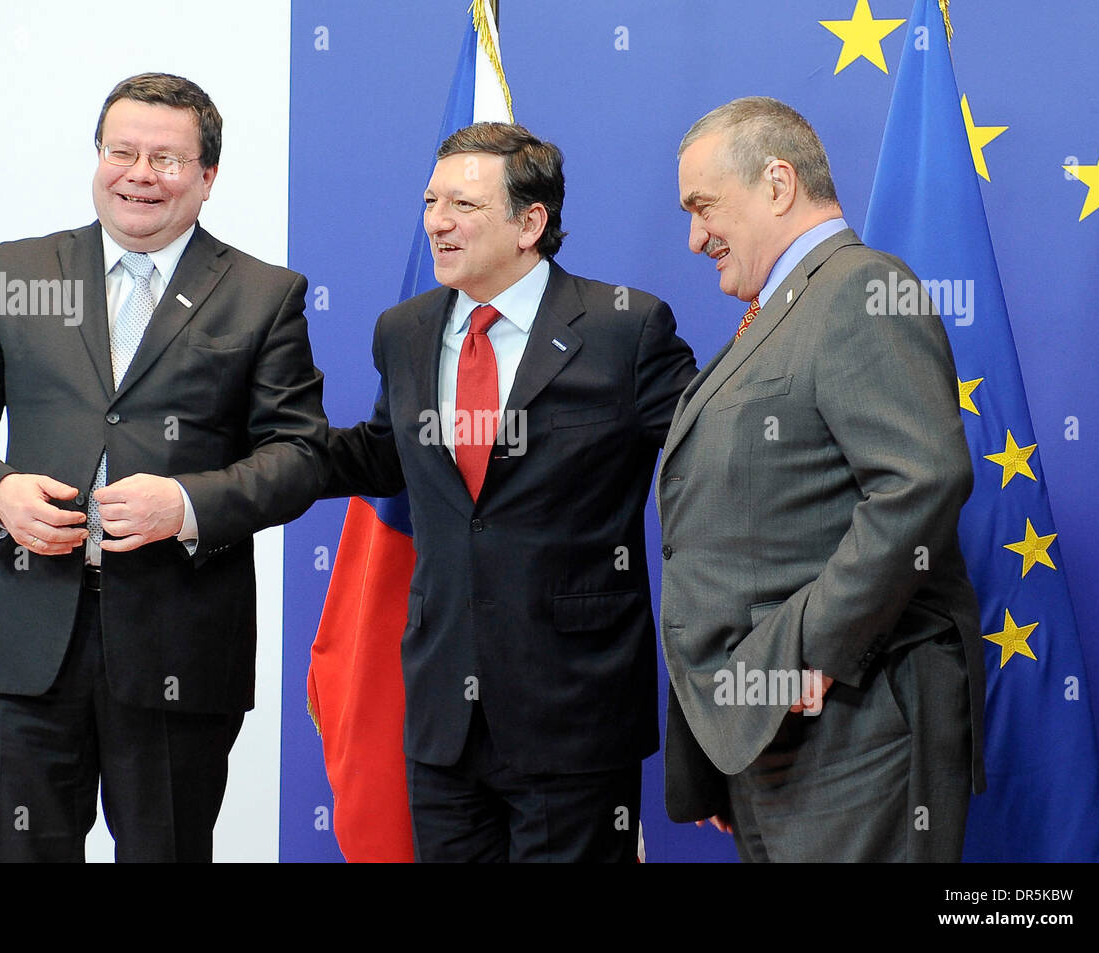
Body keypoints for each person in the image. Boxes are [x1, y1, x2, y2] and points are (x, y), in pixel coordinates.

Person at [0, 72, 329, 862]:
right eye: (122, 151)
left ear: (207, 177)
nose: (140, 173)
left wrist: (187, 502)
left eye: (167, 159)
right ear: (97, 158)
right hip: (24, 638)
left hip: (179, 645)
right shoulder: (19, 268)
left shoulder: (264, 294)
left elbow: (301, 455)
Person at [325, 122, 697, 862]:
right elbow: (379, 457)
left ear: (531, 223)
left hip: (573, 710)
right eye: (431, 200)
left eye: (461, 204)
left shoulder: (626, 328)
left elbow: (713, 460)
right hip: (441, 715)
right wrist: (236, 456)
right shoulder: (403, 330)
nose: (435, 220)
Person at [658, 96, 985, 862]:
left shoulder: (859, 288)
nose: (695, 235)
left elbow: (922, 479)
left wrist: (810, 653)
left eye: (704, 207)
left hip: (855, 722)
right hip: (780, 737)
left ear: (777, 184)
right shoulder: (788, 308)